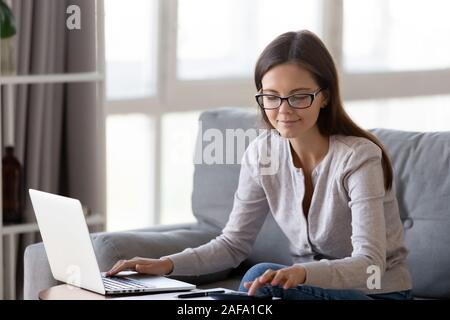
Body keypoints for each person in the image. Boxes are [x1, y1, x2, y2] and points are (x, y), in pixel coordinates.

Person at [106, 30, 413, 300]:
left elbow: (370, 264)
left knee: (260, 277)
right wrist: (166, 265)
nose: (283, 110)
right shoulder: (261, 154)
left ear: (325, 97)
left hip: (379, 293)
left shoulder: (359, 158)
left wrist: (302, 274)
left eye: (299, 97)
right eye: (271, 97)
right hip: (303, 293)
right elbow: (232, 244)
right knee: (237, 291)